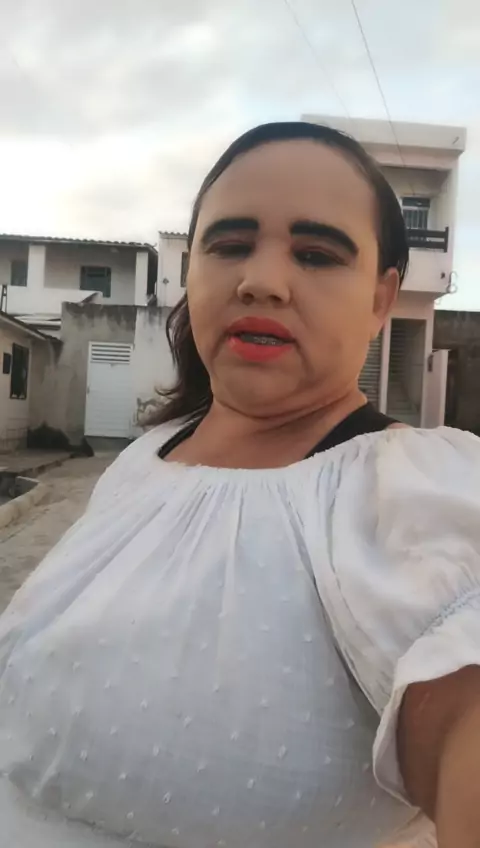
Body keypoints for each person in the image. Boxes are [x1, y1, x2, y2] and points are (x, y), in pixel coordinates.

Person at [0, 121, 479, 848]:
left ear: (381, 300)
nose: (260, 281)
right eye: (228, 245)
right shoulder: (148, 457)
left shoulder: (405, 493)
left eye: (316, 254)